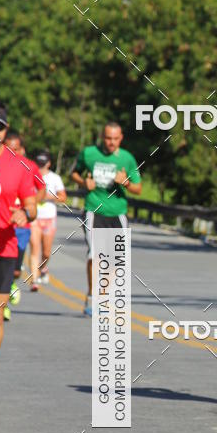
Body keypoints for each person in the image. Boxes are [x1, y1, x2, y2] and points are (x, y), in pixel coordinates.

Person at [71, 122, 142, 316]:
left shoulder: (127, 158)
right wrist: (83, 182)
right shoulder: (89, 153)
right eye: (108, 138)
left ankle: (101, 295)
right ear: (102, 137)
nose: (111, 142)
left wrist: (125, 182)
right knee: (94, 255)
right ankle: (92, 296)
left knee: (115, 260)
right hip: (94, 210)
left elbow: (138, 188)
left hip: (117, 213)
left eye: (115, 139)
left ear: (121, 138)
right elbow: (74, 173)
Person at [0, 104, 38, 362]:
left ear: (5, 129)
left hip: (3, 250)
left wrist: (25, 213)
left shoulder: (18, 166)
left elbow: (31, 206)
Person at [3, 130, 44, 312]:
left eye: (16, 150)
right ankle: (2, 305)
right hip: (1, 224)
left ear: (23, 149)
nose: (13, 154)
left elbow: (41, 188)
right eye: (9, 149)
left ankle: (10, 286)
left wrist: (30, 206)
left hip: (21, 226)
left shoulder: (29, 167)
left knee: (16, 270)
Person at [30, 150, 66, 287]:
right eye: (38, 163)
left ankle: (43, 268)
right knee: (35, 249)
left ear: (49, 163)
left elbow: (63, 197)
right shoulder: (30, 175)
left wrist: (49, 196)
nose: (40, 166)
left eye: (43, 164)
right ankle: (34, 280)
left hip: (49, 218)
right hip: (34, 218)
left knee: (46, 252)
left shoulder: (55, 178)